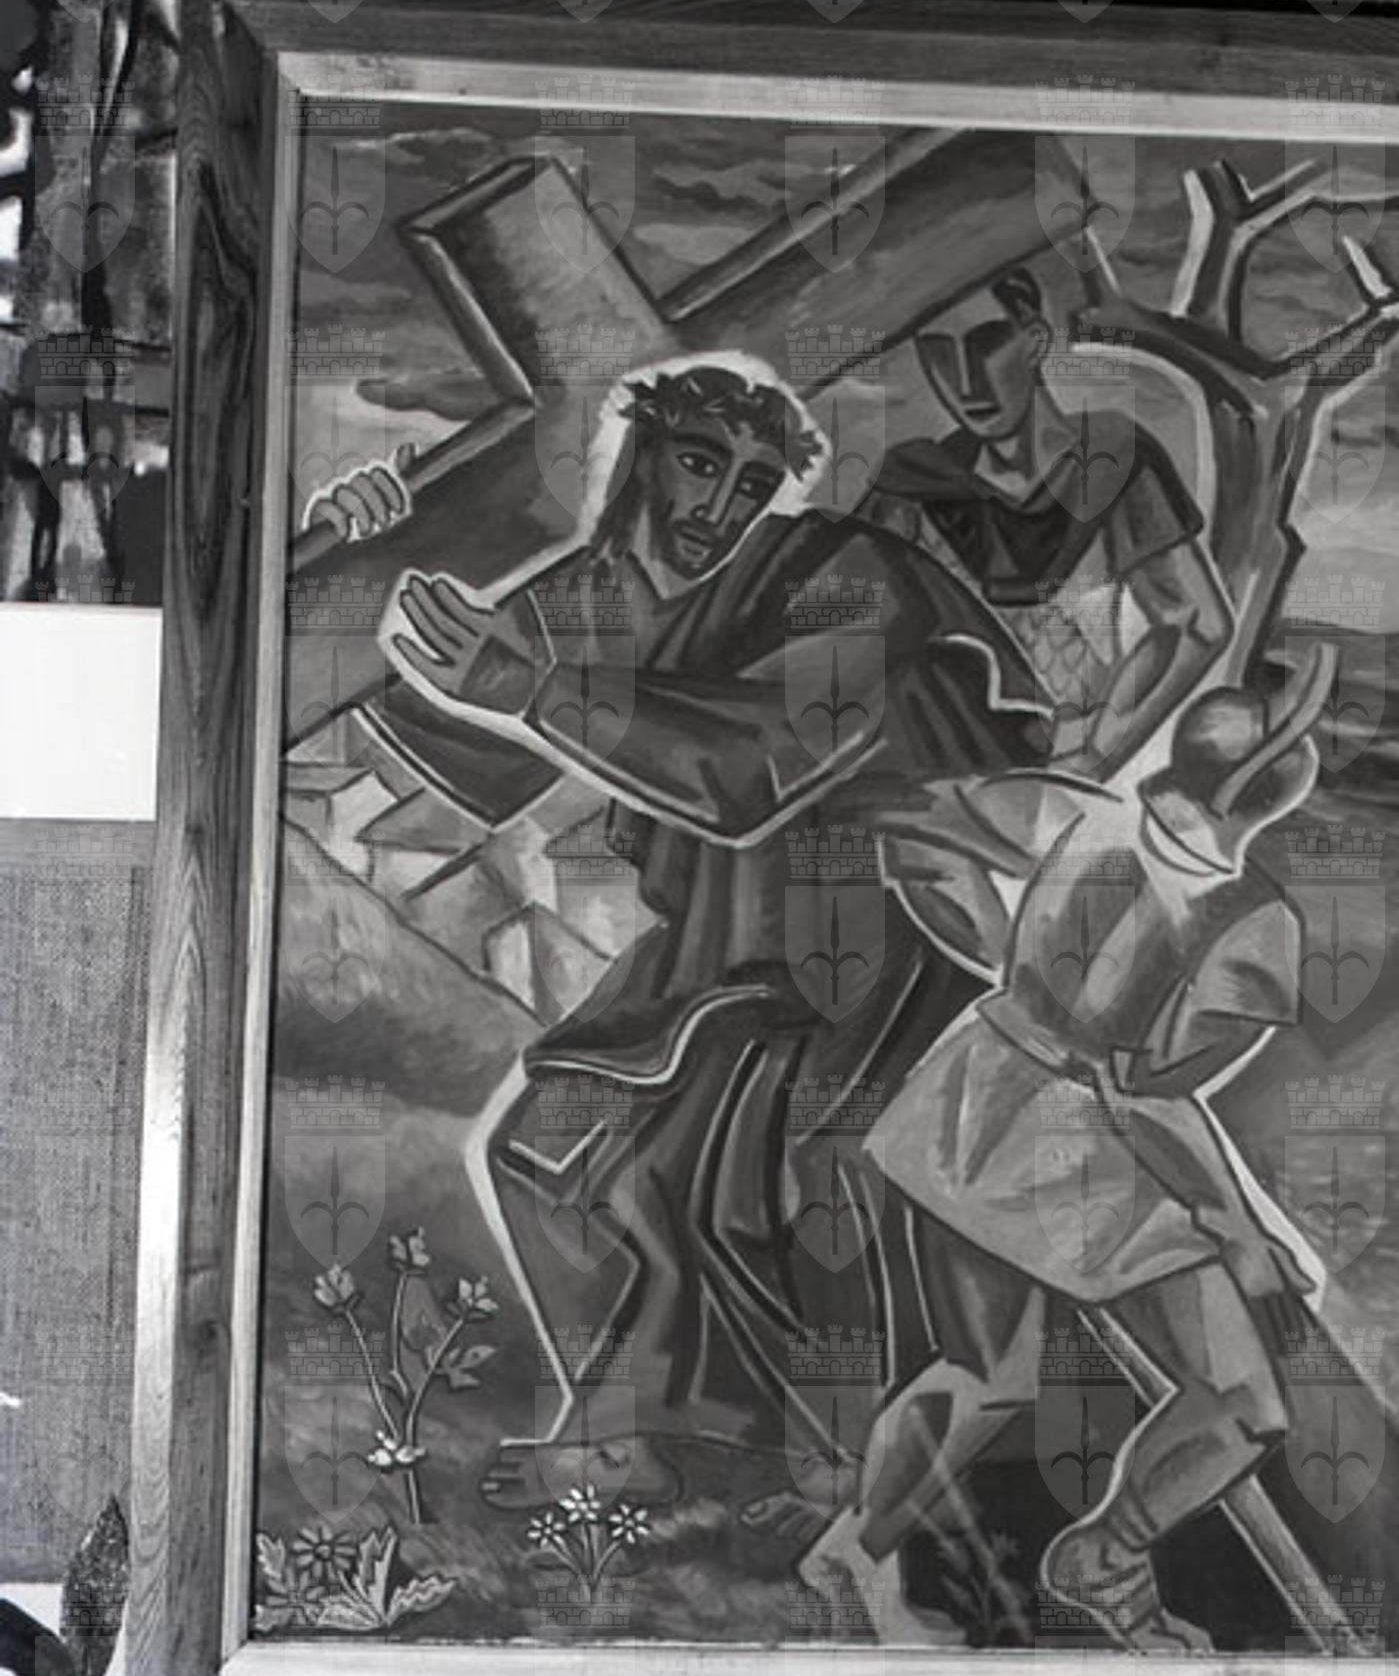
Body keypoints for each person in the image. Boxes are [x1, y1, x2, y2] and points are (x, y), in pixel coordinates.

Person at [305, 353, 1046, 1513]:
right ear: (640, 455)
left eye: (751, 482)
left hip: (867, 931)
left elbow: (750, 766)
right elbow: (381, 749)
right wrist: (356, 559)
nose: (718, 503)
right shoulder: (581, 604)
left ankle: (818, 1463)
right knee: (543, 1149)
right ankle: (647, 1436)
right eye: (698, 461)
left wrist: (525, 687)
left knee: (746, 1176)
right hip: (712, 943)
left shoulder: (841, 572)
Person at [798, 653, 1336, 1652]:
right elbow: (1148, 1098)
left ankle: (850, 1552)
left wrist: (1005, 958)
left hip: (972, 1095)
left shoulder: (1074, 810)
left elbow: (909, 828)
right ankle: (1107, 1557)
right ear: (1269, 792)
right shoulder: (1253, 925)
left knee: (981, 1371)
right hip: (1084, 1152)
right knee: (1242, 1402)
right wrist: (1239, 1232)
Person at [865, 266, 1231, 777]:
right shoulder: (911, 487)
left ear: (1035, 340)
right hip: (934, 775)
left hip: (1067, 773)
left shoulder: (1114, 460)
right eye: (938, 351)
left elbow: (1195, 624)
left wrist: (1098, 754)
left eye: (987, 342)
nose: (965, 380)